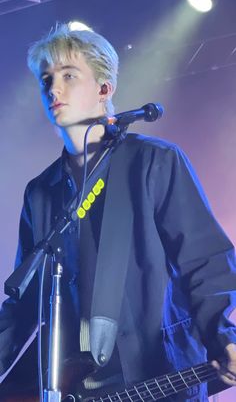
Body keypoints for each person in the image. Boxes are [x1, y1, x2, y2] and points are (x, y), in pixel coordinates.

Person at [0, 23, 236, 402]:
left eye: (68, 75)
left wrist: (223, 337)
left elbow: (205, 261)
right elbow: (26, 301)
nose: (52, 88)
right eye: (46, 78)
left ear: (104, 88)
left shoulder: (153, 162)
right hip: (75, 385)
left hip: (154, 375)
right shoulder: (41, 193)